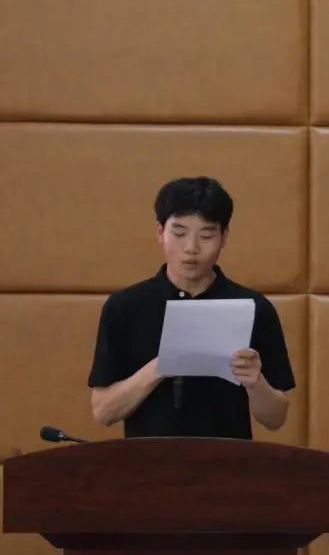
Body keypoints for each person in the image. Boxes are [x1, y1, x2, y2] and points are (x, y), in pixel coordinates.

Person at [88, 176, 295, 439]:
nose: (191, 248)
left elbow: (276, 419)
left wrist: (256, 383)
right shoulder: (125, 307)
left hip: (230, 461)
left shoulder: (254, 307)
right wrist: (162, 365)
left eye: (206, 235)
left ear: (224, 237)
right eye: (179, 233)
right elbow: (103, 411)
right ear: (160, 232)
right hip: (148, 462)